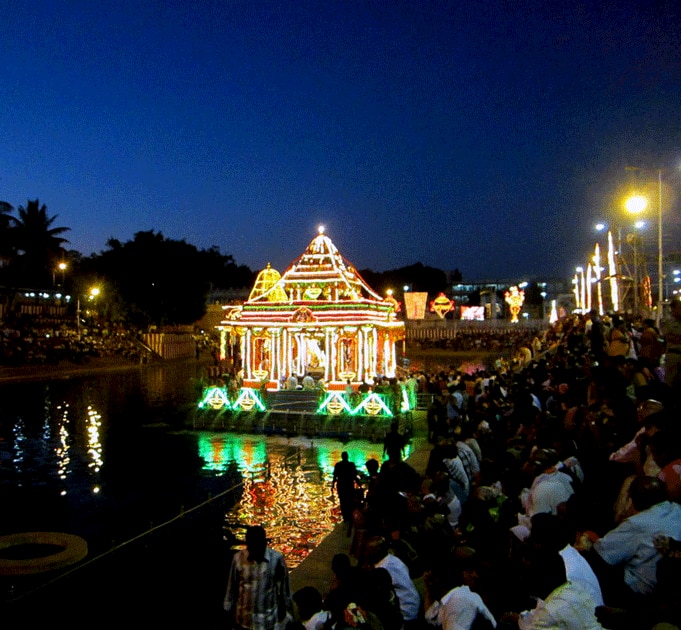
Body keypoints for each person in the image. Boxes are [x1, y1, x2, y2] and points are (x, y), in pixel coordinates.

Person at [223, 525, 292, 630]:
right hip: (243, 621)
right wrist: (228, 611)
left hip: (267, 622)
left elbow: (284, 590)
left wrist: (286, 612)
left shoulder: (276, 559)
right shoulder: (238, 559)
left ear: (264, 543)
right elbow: (232, 587)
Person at [332, 451, 360, 535]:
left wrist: (332, 485)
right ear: (347, 457)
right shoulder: (351, 465)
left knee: (342, 501)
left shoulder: (338, 465)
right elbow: (355, 475)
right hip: (349, 485)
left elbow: (335, 476)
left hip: (341, 485)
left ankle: (345, 517)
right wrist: (359, 484)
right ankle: (349, 516)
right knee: (349, 500)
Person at [662, 298, 681, 397]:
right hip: (673, 355)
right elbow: (669, 337)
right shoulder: (667, 322)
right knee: (670, 385)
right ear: (673, 309)